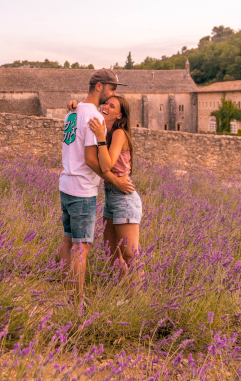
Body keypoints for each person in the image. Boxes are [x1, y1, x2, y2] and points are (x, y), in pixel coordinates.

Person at [59, 69, 134, 305]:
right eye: (112, 89)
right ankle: (77, 303)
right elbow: (92, 160)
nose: (112, 94)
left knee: (68, 242)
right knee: (82, 247)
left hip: (66, 183)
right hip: (82, 189)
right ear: (100, 86)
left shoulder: (72, 112)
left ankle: (66, 295)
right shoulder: (95, 117)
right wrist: (115, 180)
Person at [89, 95, 142, 281]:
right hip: (111, 196)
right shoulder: (106, 130)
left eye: (112, 106)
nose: (106, 107)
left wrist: (100, 138)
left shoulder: (118, 133)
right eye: (105, 103)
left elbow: (107, 166)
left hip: (124, 197)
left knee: (129, 254)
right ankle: (125, 292)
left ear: (119, 115)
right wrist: (73, 106)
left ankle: (141, 299)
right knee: (111, 252)